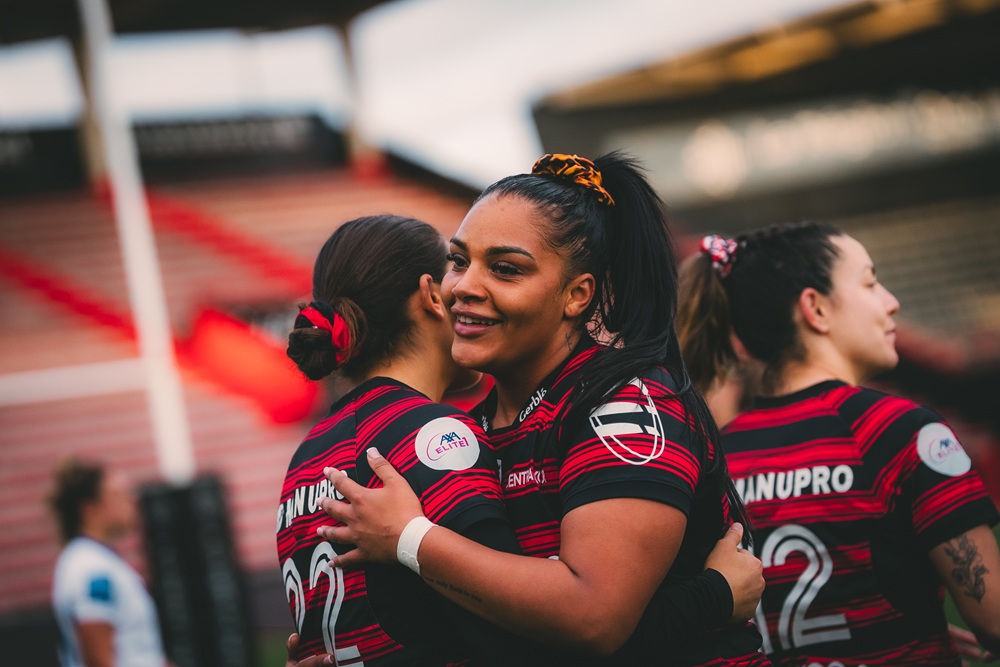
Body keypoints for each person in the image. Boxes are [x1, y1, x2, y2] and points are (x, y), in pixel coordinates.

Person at [316, 153, 769, 665]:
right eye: (459, 260)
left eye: (506, 269)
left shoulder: (625, 404)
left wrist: (410, 539)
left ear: (577, 295)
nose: (464, 286)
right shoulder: (470, 428)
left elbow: (592, 619)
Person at [679, 222, 1000, 666]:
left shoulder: (712, 458)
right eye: (870, 283)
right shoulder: (900, 431)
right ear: (815, 308)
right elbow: (994, 622)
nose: (892, 302)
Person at [49, 459, 169, 667]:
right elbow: (98, 661)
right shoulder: (91, 569)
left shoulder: (99, 561)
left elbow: (140, 653)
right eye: (118, 495)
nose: (131, 502)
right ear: (88, 509)